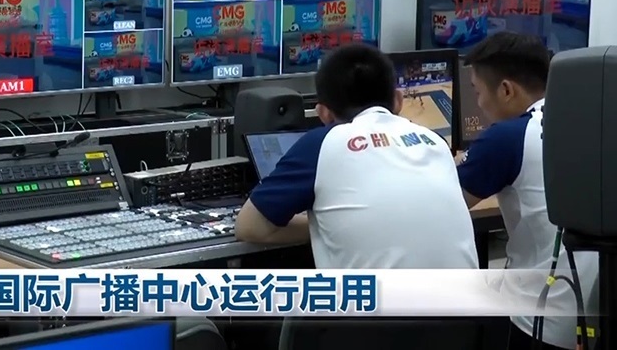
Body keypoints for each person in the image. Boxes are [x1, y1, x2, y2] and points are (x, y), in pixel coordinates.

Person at [235, 43, 479, 269]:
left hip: (377, 303)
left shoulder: (321, 144)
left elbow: (249, 227)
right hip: (470, 301)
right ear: (398, 100)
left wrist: (329, 225)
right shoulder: (435, 142)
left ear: (323, 113)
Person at [457, 32, 598, 350]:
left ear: (506, 90)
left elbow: (448, 204)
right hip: (597, 306)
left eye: (478, 92)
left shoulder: (505, 138)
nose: (479, 103)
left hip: (542, 321)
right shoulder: (592, 118)